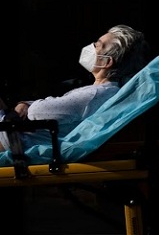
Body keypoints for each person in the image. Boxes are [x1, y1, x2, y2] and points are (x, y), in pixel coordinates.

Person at [0, 25, 148, 153]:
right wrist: (26, 104)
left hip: (10, 139)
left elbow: (37, 113)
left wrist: (28, 105)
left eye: (98, 44)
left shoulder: (94, 95)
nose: (92, 46)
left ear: (107, 62)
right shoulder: (107, 93)